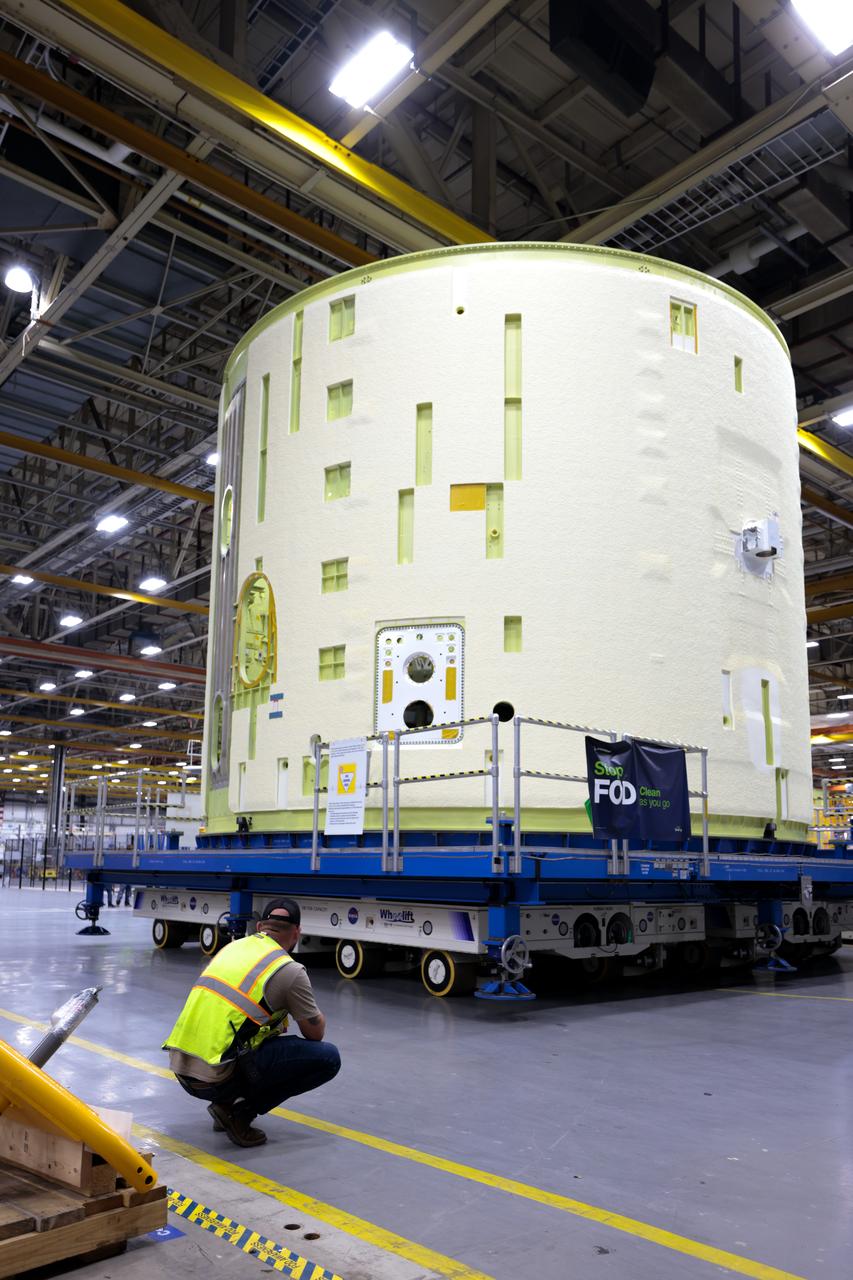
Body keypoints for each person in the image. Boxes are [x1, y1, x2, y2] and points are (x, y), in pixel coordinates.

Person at [163, 897, 340, 1147]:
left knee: (263, 1033)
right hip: (216, 1078)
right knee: (328, 1058)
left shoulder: (232, 948)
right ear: (297, 933)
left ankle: (226, 1104)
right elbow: (315, 1033)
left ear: (259, 928)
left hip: (182, 1069)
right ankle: (240, 1112)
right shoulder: (289, 969)